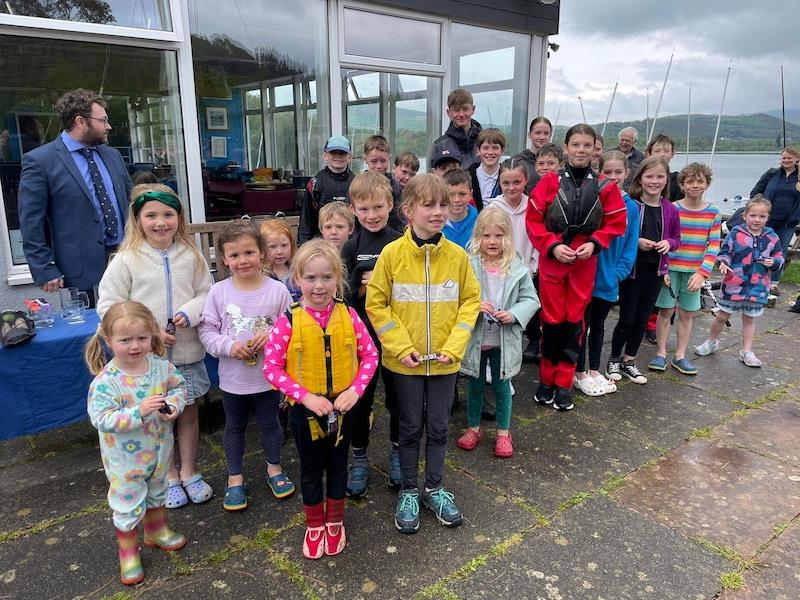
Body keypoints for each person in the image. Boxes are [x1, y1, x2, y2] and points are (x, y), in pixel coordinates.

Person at [366, 174, 480, 535]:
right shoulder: (391, 255)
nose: (438, 212)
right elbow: (377, 303)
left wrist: (453, 347)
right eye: (429, 205)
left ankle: (433, 487)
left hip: (445, 364)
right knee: (410, 427)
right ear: (409, 210)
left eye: (443, 204)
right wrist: (402, 348)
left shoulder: (458, 256)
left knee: (440, 427)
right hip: (405, 365)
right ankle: (409, 491)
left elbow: (470, 301)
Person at [97, 184, 214, 509]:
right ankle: (168, 474)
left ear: (179, 217)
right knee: (159, 419)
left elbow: (208, 293)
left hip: (187, 353)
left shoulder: (191, 256)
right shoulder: (126, 260)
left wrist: (187, 314)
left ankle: (189, 470)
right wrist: (149, 332)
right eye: (151, 215)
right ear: (138, 218)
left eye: (168, 214)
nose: (160, 222)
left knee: (187, 412)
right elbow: (108, 306)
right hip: (145, 362)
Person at [263, 240, 379, 559]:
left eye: (327, 277)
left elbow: (369, 354)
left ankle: (335, 521)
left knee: (339, 468)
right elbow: (271, 368)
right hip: (305, 411)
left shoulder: (350, 315)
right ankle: (315, 524)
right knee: (311, 470)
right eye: (310, 278)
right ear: (297, 279)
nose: (319, 286)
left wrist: (355, 390)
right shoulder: (288, 320)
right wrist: (303, 397)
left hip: (343, 410)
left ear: (338, 279)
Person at [84, 301, 187, 585]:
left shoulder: (160, 366)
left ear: (152, 335)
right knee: (127, 503)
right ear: (108, 339)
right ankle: (128, 551)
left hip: (160, 450)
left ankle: (155, 530)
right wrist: (138, 411)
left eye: (142, 338)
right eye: (125, 340)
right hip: (124, 461)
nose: (135, 346)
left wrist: (174, 406)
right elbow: (101, 419)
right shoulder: (107, 381)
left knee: (158, 489)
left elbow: (179, 387)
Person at [526, 124, 627, 411]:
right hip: (553, 261)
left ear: (594, 149)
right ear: (566, 148)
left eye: (587, 145)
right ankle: (546, 380)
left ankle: (564, 383)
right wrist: (553, 245)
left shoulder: (605, 186)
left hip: (584, 263)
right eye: (575, 145)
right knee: (552, 323)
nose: (581, 150)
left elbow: (615, 223)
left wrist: (595, 243)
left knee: (574, 324)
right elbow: (533, 221)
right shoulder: (548, 182)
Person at [198, 221, 295, 512]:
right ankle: (235, 477)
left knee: (270, 423)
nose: (243, 261)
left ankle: (274, 468)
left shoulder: (277, 291)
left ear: (262, 254)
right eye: (235, 255)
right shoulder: (218, 292)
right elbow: (207, 332)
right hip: (233, 379)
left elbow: (293, 324)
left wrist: (273, 336)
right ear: (224, 260)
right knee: (235, 426)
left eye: (249, 253)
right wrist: (229, 346)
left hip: (268, 378)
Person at [18, 89, 133, 303]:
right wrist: (44, 267)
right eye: (103, 120)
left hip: (128, 261)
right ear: (81, 122)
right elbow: (30, 222)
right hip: (82, 271)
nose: (108, 126)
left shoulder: (113, 155)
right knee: (94, 333)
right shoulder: (40, 161)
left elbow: (131, 203)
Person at [456, 209, 538, 457]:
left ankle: (504, 432)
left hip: (503, 338)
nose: (492, 241)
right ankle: (473, 427)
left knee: (502, 386)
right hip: (477, 337)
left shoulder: (516, 266)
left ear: (508, 237)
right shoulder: (468, 264)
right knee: (475, 384)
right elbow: (455, 297)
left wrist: (513, 314)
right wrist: (473, 307)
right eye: (486, 235)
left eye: (499, 235)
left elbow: (530, 299)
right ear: (477, 236)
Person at [340, 171, 403, 497]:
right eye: (364, 209)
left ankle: (396, 453)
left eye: (378, 207)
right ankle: (360, 459)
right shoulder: (351, 247)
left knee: (397, 400)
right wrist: (359, 281)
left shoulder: (401, 238)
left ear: (391, 204)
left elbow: (411, 288)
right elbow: (344, 298)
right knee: (360, 403)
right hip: (361, 339)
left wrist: (383, 282)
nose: (372, 215)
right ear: (353, 209)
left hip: (395, 336)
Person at [607, 157, 680, 385]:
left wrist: (668, 243)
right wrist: (637, 241)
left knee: (641, 319)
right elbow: (622, 235)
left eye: (660, 177)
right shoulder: (632, 205)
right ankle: (614, 358)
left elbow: (676, 238)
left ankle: (630, 360)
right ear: (640, 178)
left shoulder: (670, 209)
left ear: (666, 180)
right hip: (632, 271)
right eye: (649, 176)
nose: (654, 181)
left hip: (655, 272)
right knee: (626, 318)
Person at [573, 151, 640, 397]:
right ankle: (579, 372)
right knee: (582, 324)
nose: (613, 177)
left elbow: (631, 245)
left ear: (627, 173)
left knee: (599, 325)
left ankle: (593, 369)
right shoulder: (592, 199)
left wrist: (617, 274)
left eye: (618, 172)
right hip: (585, 274)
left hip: (608, 277)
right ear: (599, 172)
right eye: (607, 172)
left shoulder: (631, 207)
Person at [695, 195, 784, 368]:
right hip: (734, 286)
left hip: (758, 288)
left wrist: (774, 263)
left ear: (768, 217)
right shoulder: (736, 233)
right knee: (721, 316)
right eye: (753, 215)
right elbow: (725, 252)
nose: (757, 220)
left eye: (762, 216)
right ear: (745, 216)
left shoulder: (772, 237)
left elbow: (779, 256)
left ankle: (747, 351)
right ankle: (711, 342)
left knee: (749, 320)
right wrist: (723, 263)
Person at [649, 163, 720, 376]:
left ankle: (680, 355)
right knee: (665, 311)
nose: (695, 185)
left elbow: (714, 245)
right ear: (682, 184)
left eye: (700, 181)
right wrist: (664, 269)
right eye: (690, 181)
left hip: (693, 273)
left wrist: (702, 273)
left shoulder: (713, 212)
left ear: (707, 184)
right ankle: (660, 352)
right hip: (671, 270)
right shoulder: (672, 208)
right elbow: (663, 240)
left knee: (687, 314)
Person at [485, 158, 540, 362]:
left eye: (517, 182)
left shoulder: (533, 207)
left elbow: (537, 239)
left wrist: (532, 267)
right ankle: (493, 361)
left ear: (525, 181)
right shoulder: (492, 208)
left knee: (524, 312)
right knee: (499, 317)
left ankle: (518, 357)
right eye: (506, 183)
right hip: (497, 272)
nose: (511, 187)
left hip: (525, 270)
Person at [749, 146, 800, 296]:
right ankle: (755, 279)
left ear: (797, 159)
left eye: (789, 158)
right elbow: (754, 192)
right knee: (760, 249)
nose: (786, 160)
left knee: (780, 252)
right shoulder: (772, 174)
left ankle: (773, 284)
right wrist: (760, 209)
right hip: (766, 221)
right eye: (783, 158)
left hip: (787, 223)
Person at [298, 135, 355, 244]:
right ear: (325, 156)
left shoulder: (356, 183)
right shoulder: (315, 183)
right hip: (322, 245)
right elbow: (306, 221)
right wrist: (303, 247)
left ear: (350, 157)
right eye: (333, 153)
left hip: (351, 245)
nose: (338, 156)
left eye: (342, 153)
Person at [429, 88, 482, 171]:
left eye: (465, 109)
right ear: (449, 113)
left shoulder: (485, 141)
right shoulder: (439, 145)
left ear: (473, 109)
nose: (461, 114)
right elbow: (432, 180)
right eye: (456, 110)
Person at [362, 134, 404, 229]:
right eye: (374, 161)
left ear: (389, 158)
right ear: (365, 159)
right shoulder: (358, 185)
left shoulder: (395, 186)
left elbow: (399, 217)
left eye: (383, 161)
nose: (379, 166)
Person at [261, 218, 301, 302]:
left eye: (284, 245)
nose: (279, 251)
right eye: (273, 246)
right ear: (262, 249)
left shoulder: (298, 270)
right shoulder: (262, 275)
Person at [513, 116, 553, 195]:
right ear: (529, 134)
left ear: (550, 135)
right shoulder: (517, 161)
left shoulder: (557, 162)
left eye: (546, 133)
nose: (542, 137)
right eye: (538, 133)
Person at [468, 128, 505, 211]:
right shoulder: (468, 175)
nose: (490, 152)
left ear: (502, 150)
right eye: (485, 148)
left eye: (495, 148)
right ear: (478, 150)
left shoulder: (507, 175)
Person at [442, 168, 478, 249]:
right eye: (451, 194)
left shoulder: (480, 223)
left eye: (462, 194)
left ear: (471, 194)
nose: (456, 200)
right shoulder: (436, 223)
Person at [645, 134, 684, 202]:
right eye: (657, 151)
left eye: (666, 151)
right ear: (649, 154)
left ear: (672, 153)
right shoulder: (642, 178)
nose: (662, 154)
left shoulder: (677, 180)